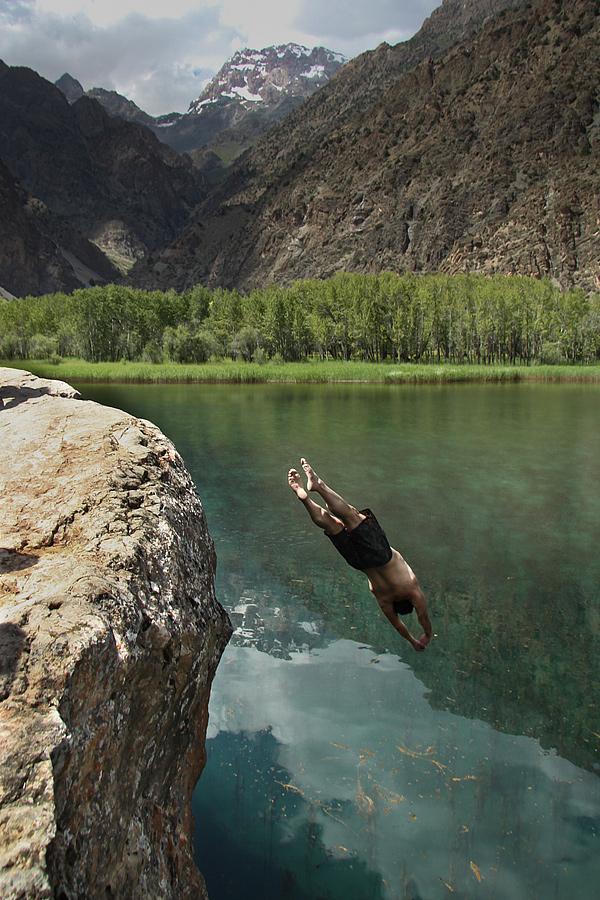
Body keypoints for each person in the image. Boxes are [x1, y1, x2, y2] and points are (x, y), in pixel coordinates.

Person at [288, 458, 432, 652]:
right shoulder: (384, 599)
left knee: (350, 515)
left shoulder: (411, 587)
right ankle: (305, 500)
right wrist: (413, 641)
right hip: (358, 562)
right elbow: (397, 625)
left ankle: (319, 486)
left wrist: (428, 633)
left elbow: (423, 616)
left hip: (380, 554)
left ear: (410, 602)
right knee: (331, 525)